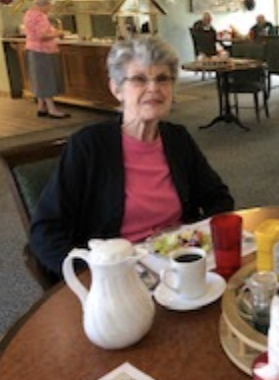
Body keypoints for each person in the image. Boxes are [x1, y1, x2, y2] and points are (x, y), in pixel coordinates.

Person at [29, 36, 235, 280]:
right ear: (116, 89)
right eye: (139, 79)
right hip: (117, 277)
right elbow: (45, 231)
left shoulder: (177, 139)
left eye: (162, 79)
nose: (153, 88)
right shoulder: (89, 145)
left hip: (178, 267)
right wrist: (91, 278)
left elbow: (219, 199)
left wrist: (191, 240)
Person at [23, 0, 69, 119]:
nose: (50, 9)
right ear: (43, 4)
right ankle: (52, 109)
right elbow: (42, 36)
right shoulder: (40, 16)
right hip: (44, 51)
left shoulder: (28, 13)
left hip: (33, 50)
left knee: (39, 79)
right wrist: (58, 34)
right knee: (47, 79)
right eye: (49, 6)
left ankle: (41, 107)